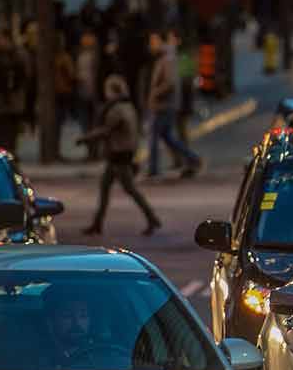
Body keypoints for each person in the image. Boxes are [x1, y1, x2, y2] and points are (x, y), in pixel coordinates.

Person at [80, 74, 161, 237]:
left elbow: (106, 130)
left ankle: (152, 218)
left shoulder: (117, 109)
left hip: (119, 154)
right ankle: (97, 223)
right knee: (105, 187)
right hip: (120, 154)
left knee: (130, 189)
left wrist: (86, 138)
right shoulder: (128, 106)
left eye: (107, 90)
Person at [145, 32, 202, 179]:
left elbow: (170, 82)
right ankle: (192, 159)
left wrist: (154, 94)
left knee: (154, 137)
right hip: (166, 104)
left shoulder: (167, 58)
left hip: (163, 105)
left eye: (153, 41)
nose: (151, 45)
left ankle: (153, 169)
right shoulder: (164, 57)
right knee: (167, 137)